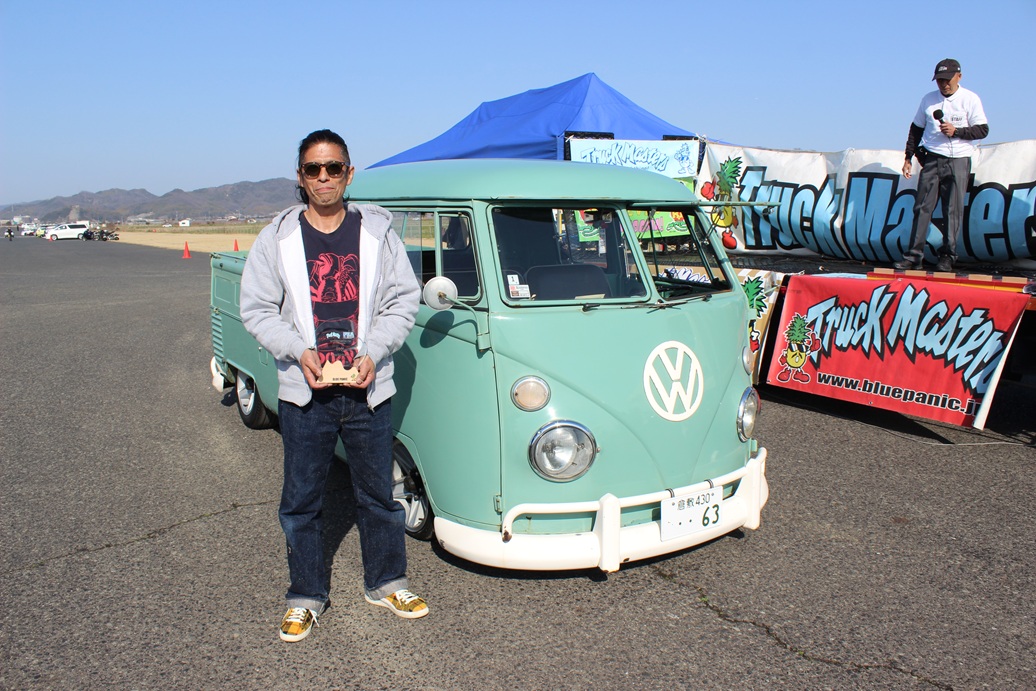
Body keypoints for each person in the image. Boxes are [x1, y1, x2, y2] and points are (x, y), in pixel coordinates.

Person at [240, 129, 425, 643]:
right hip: (306, 393)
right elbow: (257, 309)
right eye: (313, 169)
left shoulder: (377, 233)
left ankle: (386, 583)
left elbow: (402, 301)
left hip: (368, 388)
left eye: (334, 168)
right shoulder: (277, 238)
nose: (324, 177)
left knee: (378, 495)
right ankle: (305, 595)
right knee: (301, 500)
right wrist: (298, 351)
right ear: (300, 177)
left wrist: (374, 352)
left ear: (349, 173)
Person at [895, 58, 988, 273]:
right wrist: (908, 156)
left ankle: (947, 256)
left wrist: (957, 131)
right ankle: (914, 256)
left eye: (947, 79)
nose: (944, 84)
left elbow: (983, 130)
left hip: (959, 160)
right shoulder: (928, 100)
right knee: (922, 207)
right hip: (932, 158)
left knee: (952, 210)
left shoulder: (970, 99)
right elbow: (916, 129)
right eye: (939, 80)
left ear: (959, 77)